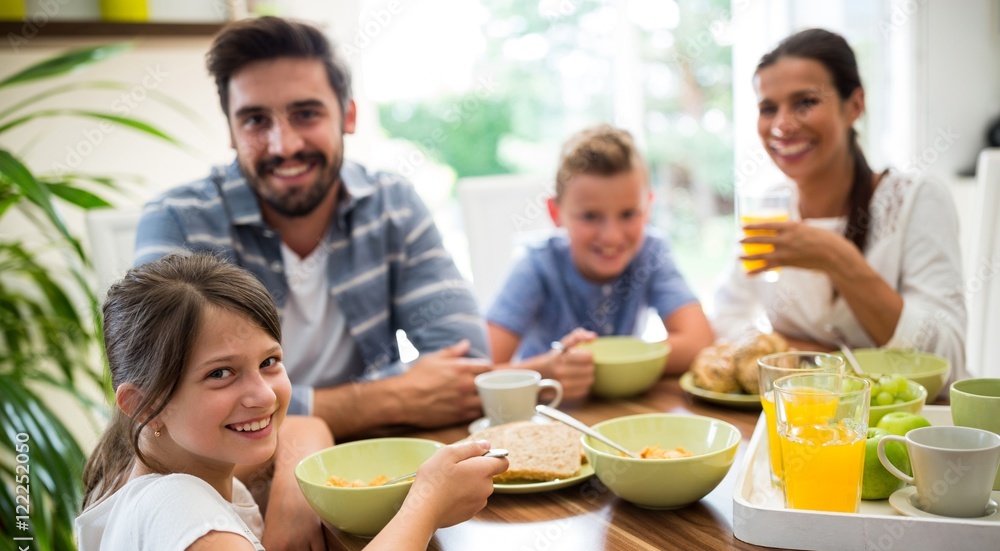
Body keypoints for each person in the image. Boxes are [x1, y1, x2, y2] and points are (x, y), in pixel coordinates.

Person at [76, 254, 507, 551]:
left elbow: (300, 426)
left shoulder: (147, 475)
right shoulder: (172, 506)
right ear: (144, 404)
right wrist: (425, 504)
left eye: (269, 362)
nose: (263, 395)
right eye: (219, 373)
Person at [134, 17, 490, 439]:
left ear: (349, 115)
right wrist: (387, 399)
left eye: (305, 114)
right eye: (255, 121)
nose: (284, 146)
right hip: (235, 476)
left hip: (366, 458)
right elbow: (167, 395)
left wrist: (302, 411)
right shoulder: (178, 219)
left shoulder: (392, 204)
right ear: (231, 130)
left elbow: (465, 363)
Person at [711, 28, 967, 388]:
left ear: (855, 106)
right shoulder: (771, 205)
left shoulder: (914, 199)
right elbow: (725, 314)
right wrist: (789, 356)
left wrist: (840, 261)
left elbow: (947, 363)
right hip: (805, 423)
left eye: (805, 102)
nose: (782, 125)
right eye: (768, 108)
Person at [486, 125, 715, 399]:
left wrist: (614, 361)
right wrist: (546, 372)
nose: (611, 236)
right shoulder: (536, 264)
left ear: (648, 207)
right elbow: (482, 372)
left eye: (629, 214)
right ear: (555, 212)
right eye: (590, 216)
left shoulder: (651, 251)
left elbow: (699, 341)